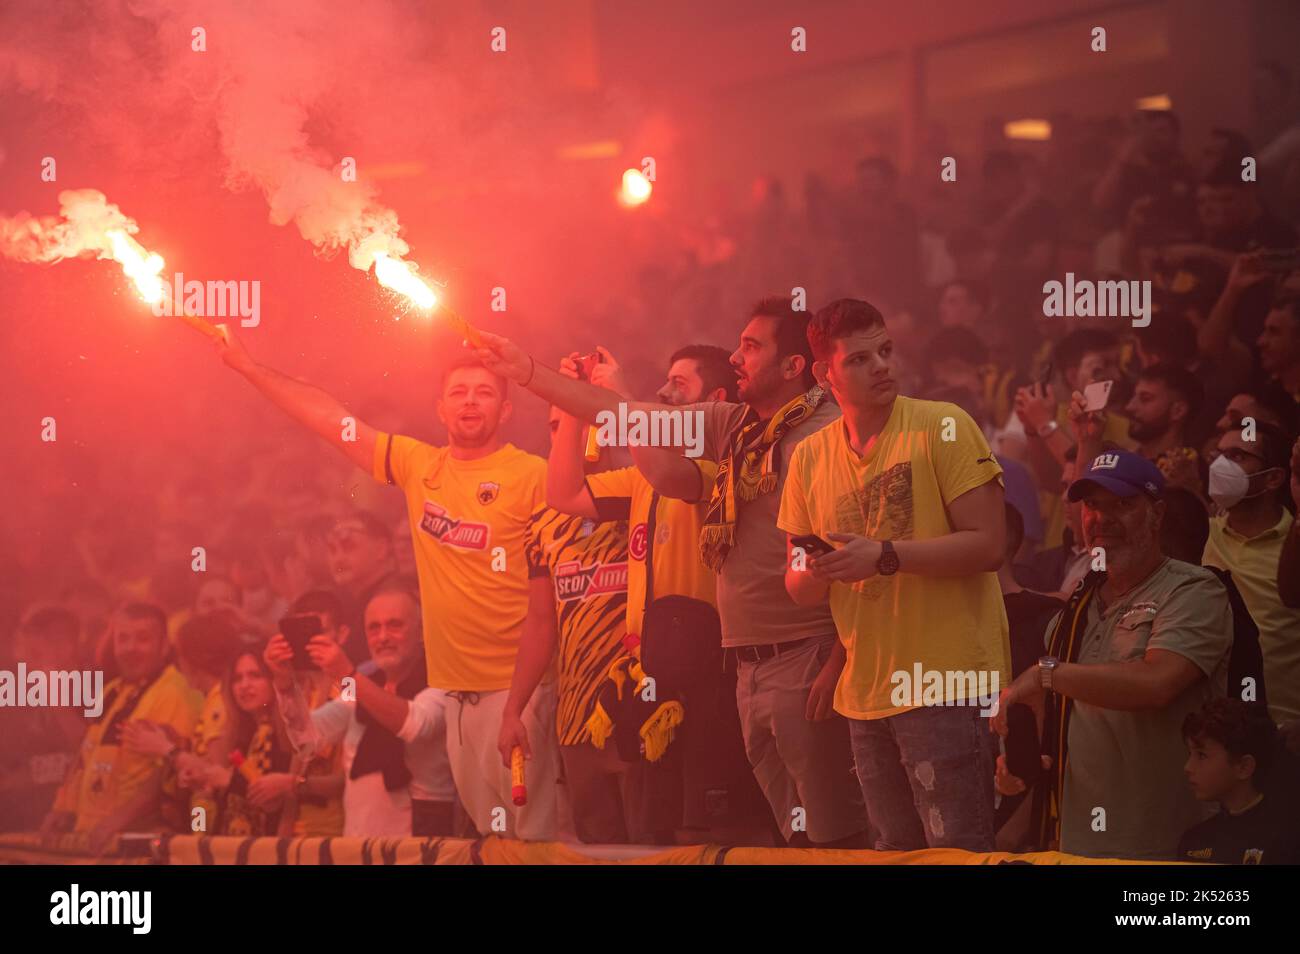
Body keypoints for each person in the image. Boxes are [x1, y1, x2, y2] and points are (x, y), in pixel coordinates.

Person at [472, 297, 869, 848]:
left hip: (807, 655)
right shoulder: (733, 426)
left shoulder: (827, 436)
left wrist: (840, 657)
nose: (736, 355)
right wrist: (528, 372)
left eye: (752, 346)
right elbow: (633, 428)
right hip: (748, 662)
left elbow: (859, 558)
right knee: (787, 839)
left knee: (834, 839)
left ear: (794, 366)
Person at [216, 332, 556, 839]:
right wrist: (250, 368)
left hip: (518, 691)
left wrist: (516, 705)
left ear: (505, 410)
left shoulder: (534, 475)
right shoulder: (421, 466)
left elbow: (546, 607)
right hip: (453, 693)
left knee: (539, 840)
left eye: (484, 392)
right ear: (440, 409)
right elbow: (332, 421)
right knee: (493, 842)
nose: (469, 401)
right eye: (458, 392)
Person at [779, 299, 1008, 852]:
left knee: (954, 857)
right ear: (823, 373)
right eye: (859, 359)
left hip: (949, 681)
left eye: (885, 351)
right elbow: (795, 576)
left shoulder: (943, 424)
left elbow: (990, 544)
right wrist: (821, 572)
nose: (881, 366)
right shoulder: (809, 457)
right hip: (865, 692)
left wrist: (884, 556)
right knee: (895, 856)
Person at [539, 344, 770, 844]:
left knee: (709, 836)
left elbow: (669, 473)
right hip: (651, 684)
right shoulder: (642, 477)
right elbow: (563, 493)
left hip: (712, 683)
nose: (663, 391)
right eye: (663, 380)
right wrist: (576, 408)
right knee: (655, 838)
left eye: (679, 385)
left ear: (715, 402)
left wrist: (619, 398)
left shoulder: (722, 467)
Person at [993, 450, 1232, 860]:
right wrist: (1018, 771)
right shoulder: (1073, 612)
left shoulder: (1193, 591)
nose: (1102, 519)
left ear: (1157, 514)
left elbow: (1157, 684)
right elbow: (1057, 729)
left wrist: (1043, 675)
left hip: (1163, 845)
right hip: (1073, 843)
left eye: (1123, 504)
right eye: (1092, 505)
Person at [268, 585, 457, 837]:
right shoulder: (361, 686)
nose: (383, 637)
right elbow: (307, 737)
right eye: (374, 628)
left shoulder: (443, 682)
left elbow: (414, 724)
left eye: (395, 625)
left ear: (421, 631)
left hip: (420, 843)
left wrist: (347, 674)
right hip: (360, 842)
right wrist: (284, 684)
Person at [41, 603, 203, 852]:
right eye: (123, 639)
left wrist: (118, 821)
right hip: (95, 840)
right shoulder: (112, 691)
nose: (130, 648)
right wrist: (63, 806)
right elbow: (85, 756)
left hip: (137, 845)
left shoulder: (176, 692)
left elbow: (166, 774)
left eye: (143, 639)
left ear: (164, 647)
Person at [1202, 422, 1300, 724]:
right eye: (1219, 454)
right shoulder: (1201, 533)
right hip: (1215, 727)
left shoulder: (1294, 546)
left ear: (1273, 478)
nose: (1221, 465)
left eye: (1237, 456)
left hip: (1284, 728)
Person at [1158, 486, 1267, 709]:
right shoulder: (1222, 592)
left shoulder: (1197, 600)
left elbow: (1156, 685)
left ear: (1154, 535)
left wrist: (1065, 673)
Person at [1178, 698, 1300, 864]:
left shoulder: (1288, 839)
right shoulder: (1193, 842)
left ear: (1243, 767)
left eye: (1201, 755)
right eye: (1189, 754)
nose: (1187, 767)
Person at [0, 607, 87, 833]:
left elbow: (89, 751)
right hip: (12, 818)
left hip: (68, 820)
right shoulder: (10, 692)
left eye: (36, 649)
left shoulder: (97, 687)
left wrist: (56, 699)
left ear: (66, 646)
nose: (24, 655)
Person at [325, 511, 398, 665]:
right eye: (332, 549)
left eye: (348, 547)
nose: (338, 558)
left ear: (381, 549)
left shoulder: (396, 597)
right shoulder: (354, 603)